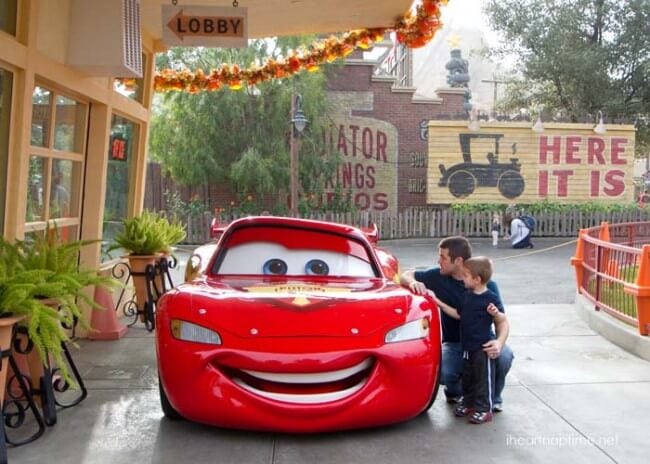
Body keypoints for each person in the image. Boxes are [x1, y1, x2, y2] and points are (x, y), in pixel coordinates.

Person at [400, 236, 514, 412]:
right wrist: (414, 282)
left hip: (482, 342)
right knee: (444, 371)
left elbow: (502, 321)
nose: (439, 261)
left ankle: (493, 397)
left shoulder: (488, 286)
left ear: (458, 261)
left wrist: (498, 343)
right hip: (454, 344)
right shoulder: (437, 275)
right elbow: (405, 274)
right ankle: (458, 393)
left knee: (504, 356)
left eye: (443, 257)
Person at [432, 256, 507, 424]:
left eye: (466, 275)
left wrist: (496, 313)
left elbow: (502, 319)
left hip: (482, 348)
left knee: (482, 379)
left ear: (477, 279)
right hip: (467, 347)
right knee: (468, 377)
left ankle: (484, 409)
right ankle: (468, 402)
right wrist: (438, 303)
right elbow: (458, 314)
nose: (462, 278)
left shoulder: (490, 298)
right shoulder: (467, 296)